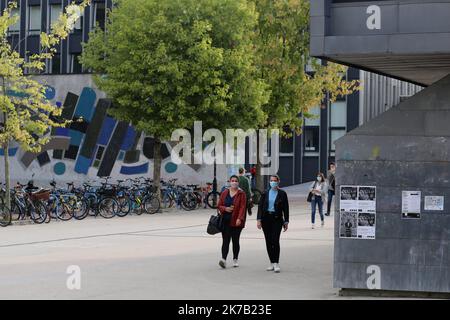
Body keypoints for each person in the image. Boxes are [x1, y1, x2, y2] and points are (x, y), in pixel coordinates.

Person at [257, 175, 289, 273]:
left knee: (275, 240)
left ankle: (276, 262)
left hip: (277, 219)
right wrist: (258, 220)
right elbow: (260, 206)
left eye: (275, 181)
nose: (273, 182)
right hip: (266, 219)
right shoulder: (265, 193)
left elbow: (286, 208)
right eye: (271, 181)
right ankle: (271, 262)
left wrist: (286, 221)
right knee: (268, 241)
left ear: (278, 181)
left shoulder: (282, 193)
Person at [217, 175, 247, 269]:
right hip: (225, 220)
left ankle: (235, 259)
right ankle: (223, 259)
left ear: (238, 182)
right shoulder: (224, 192)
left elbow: (243, 207)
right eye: (232, 180)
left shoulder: (241, 194)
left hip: (236, 221)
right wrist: (225, 208)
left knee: (235, 240)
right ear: (230, 182)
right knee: (225, 240)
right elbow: (219, 205)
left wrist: (240, 218)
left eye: (235, 181)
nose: (234, 182)